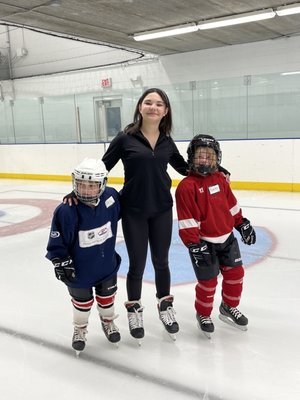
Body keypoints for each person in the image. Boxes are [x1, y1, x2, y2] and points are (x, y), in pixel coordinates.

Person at [65, 88, 230, 342]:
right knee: (138, 265)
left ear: (165, 111)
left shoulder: (166, 140)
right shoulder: (125, 138)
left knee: (162, 262)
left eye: (159, 104)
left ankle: (165, 306)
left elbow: (185, 168)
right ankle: (134, 309)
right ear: (140, 107)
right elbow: (101, 168)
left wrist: (214, 170)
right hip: (134, 211)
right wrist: (77, 191)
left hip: (162, 209)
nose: (154, 107)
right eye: (148, 102)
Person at [175, 134, 256, 339]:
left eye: (209, 156)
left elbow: (230, 204)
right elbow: (187, 219)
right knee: (208, 282)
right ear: (191, 158)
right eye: (200, 156)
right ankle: (203, 314)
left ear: (216, 159)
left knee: (235, 275)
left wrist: (241, 223)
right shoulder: (186, 186)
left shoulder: (220, 178)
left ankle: (228, 307)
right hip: (204, 243)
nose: (204, 160)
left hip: (227, 239)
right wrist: (194, 245)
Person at [46, 158, 121, 354]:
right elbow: (57, 241)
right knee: (82, 303)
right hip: (80, 269)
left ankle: (108, 322)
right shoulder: (66, 210)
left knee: (107, 299)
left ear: (103, 184)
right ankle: (80, 329)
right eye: (81, 184)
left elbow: (124, 210)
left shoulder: (111, 197)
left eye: (92, 186)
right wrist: (60, 260)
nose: (85, 190)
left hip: (106, 265)